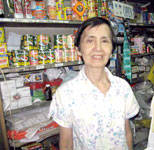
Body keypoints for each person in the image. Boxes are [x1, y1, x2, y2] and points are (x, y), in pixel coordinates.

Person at [48, 17, 139, 150]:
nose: (98, 48)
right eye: (90, 41)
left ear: (112, 48)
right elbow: (66, 144)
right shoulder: (66, 93)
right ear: (79, 49)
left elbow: (126, 132)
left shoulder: (122, 88)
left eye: (104, 41)